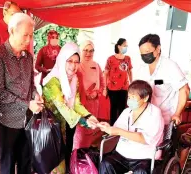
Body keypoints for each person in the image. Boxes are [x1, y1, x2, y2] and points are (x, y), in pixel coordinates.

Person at [0, 13, 43, 174]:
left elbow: (31, 85)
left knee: (26, 161)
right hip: (5, 122)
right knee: (8, 165)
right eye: (25, 35)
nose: (28, 40)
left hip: (26, 119)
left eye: (31, 35)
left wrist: (35, 96)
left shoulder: (28, 57)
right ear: (11, 31)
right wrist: (27, 103)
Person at [42, 42, 99, 173]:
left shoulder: (74, 79)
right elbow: (63, 108)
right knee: (56, 161)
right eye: (70, 61)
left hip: (69, 125)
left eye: (76, 62)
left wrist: (89, 116)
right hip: (53, 128)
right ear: (62, 60)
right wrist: (84, 122)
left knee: (67, 154)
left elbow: (76, 103)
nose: (73, 66)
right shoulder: (53, 81)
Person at [97, 80, 164, 174]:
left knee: (141, 171)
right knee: (106, 163)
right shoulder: (127, 111)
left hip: (144, 157)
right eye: (128, 97)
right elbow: (116, 129)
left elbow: (145, 139)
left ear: (145, 98)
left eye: (133, 98)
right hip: (122, 154)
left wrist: (119, 131)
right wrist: (108, 128)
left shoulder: (154, 113)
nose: (129, 101)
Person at [134, 34, 190, 125]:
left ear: (158, 49)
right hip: (146, 117)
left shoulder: (170, 66)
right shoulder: (142, 69)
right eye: (142, 53)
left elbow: (185, 90)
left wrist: (177, 113)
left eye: (147, 51)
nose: (144, 55)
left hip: (165, 119)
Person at [73, 40, 106, 150]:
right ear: (80, 50)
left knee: (92, 125)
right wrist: (85, 93)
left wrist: (97, 92)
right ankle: (77, 152)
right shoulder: (76, 65)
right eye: (85, 50)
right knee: (81, 129)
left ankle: (86, 151)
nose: (88, 53)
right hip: (80, 102)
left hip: (94, 102)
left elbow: (102, 81)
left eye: (91, 51)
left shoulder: (96, 65)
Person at [104, 38, 133, 125]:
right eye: (125, 46)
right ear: (119, 46)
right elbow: (105, 74)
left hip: (124, 88)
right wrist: (105, 88)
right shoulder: (110, 59)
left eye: (127, 46)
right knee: (113, 108)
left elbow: (130, 72)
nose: (126, 47)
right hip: (112, 88)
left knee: (122, 108)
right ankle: (112, 127)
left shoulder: (128, 58)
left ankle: (121, 127)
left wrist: (131, 84)